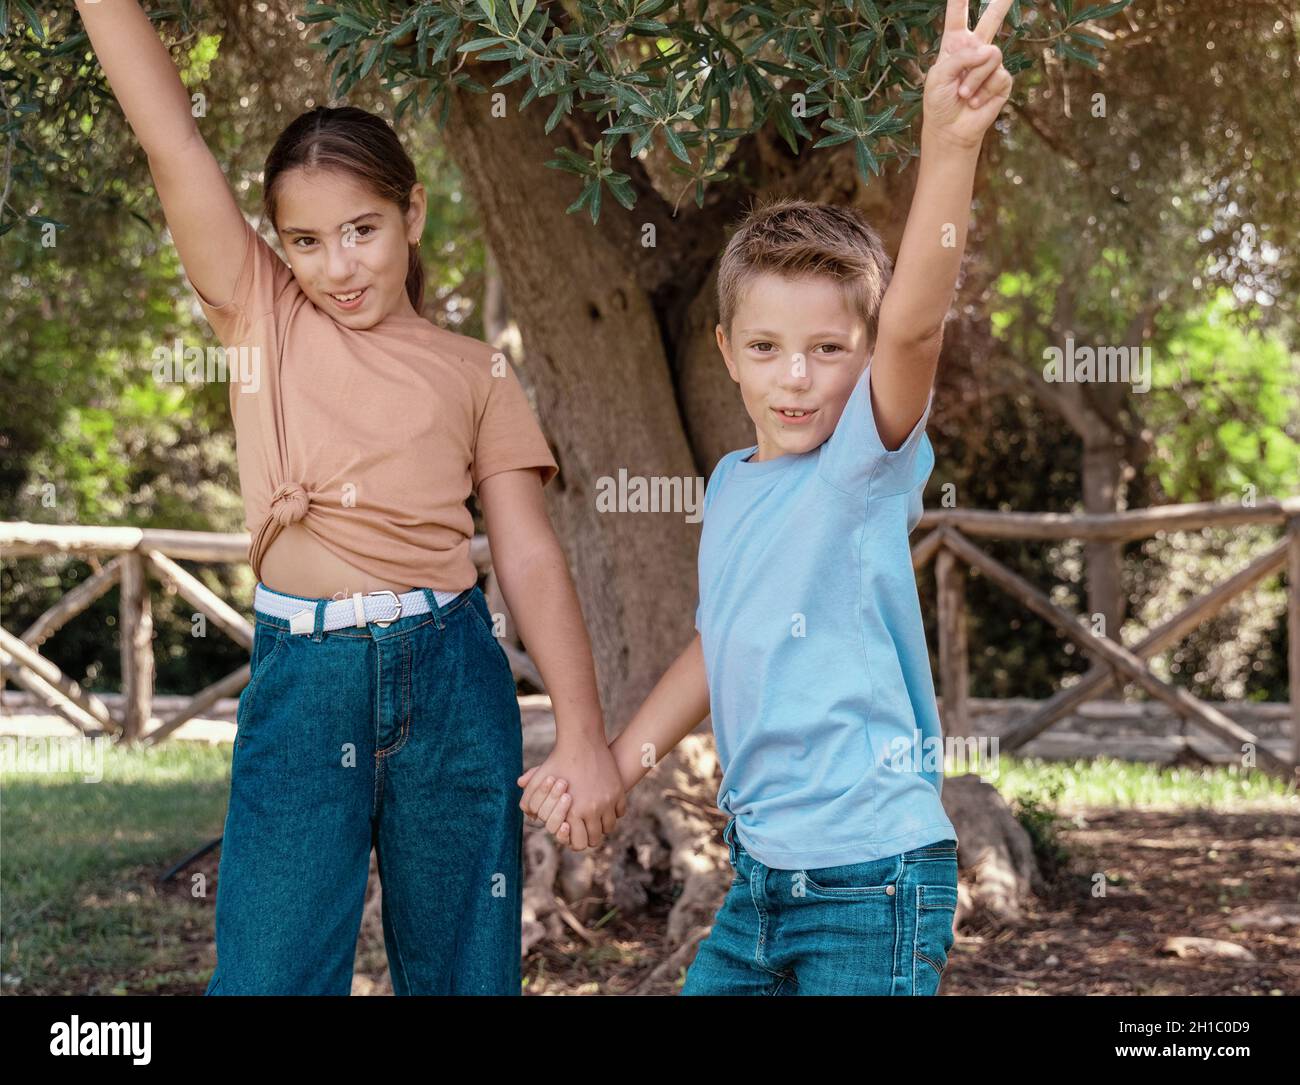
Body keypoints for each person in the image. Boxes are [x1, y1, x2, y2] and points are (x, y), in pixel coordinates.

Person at [75, 0, 625, 995]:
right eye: (309, 240)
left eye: (363, 230)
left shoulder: (476, 371)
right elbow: (170, 135)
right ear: (278, 246)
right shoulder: (261, 314)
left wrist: (584, 733)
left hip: (453, 674)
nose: (340, 264)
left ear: (412, 214)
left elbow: (530, 555)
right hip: (305, 676)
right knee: (270, 970)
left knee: (465, 969)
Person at [521, 0, 1016, 995]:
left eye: (829, 349)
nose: (797, 377)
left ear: (864, 359)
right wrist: (618, 763)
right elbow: (720, 645)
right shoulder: (732, 486)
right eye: (766, 348)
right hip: (760, 878)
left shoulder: (859, 467)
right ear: (726, 356)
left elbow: (915, 326)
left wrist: (946, 146)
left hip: (871, 878)